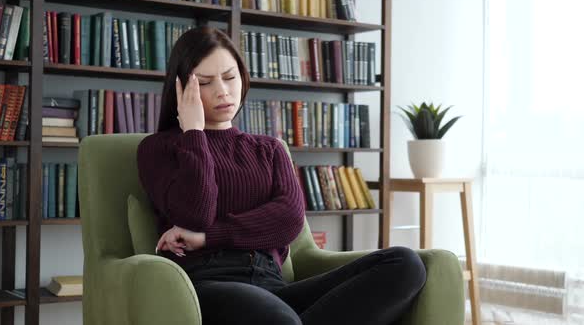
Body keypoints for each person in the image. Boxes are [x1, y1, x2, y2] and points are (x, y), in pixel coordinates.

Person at [137, 26, 426, 325]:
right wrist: (194, 133)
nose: (223, 91)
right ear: (182, 89)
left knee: (405, 264)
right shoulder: (160, 149)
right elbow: (196, 213)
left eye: (230, 76)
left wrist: (209, 236)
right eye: (206, 83)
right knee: (280, 319)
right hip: (207, 284)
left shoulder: (270, 149)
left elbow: (288, 220)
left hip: (273, 285)